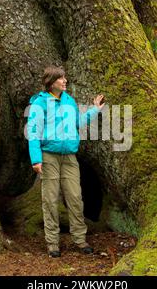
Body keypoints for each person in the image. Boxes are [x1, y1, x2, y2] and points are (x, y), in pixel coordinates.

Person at [27, 65, 105, 258]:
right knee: (50, 199)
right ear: (51, 82)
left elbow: (77, 122)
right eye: (61, 79)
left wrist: (94, 110)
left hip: (69, 157)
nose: (65, 81)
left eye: (65, 78)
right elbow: (33, 132)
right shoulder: (40, 103)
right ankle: (52, 243)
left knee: (75, 197)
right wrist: (36, 160)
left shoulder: (69, 101)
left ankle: (80, 239)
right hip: (48, 156)